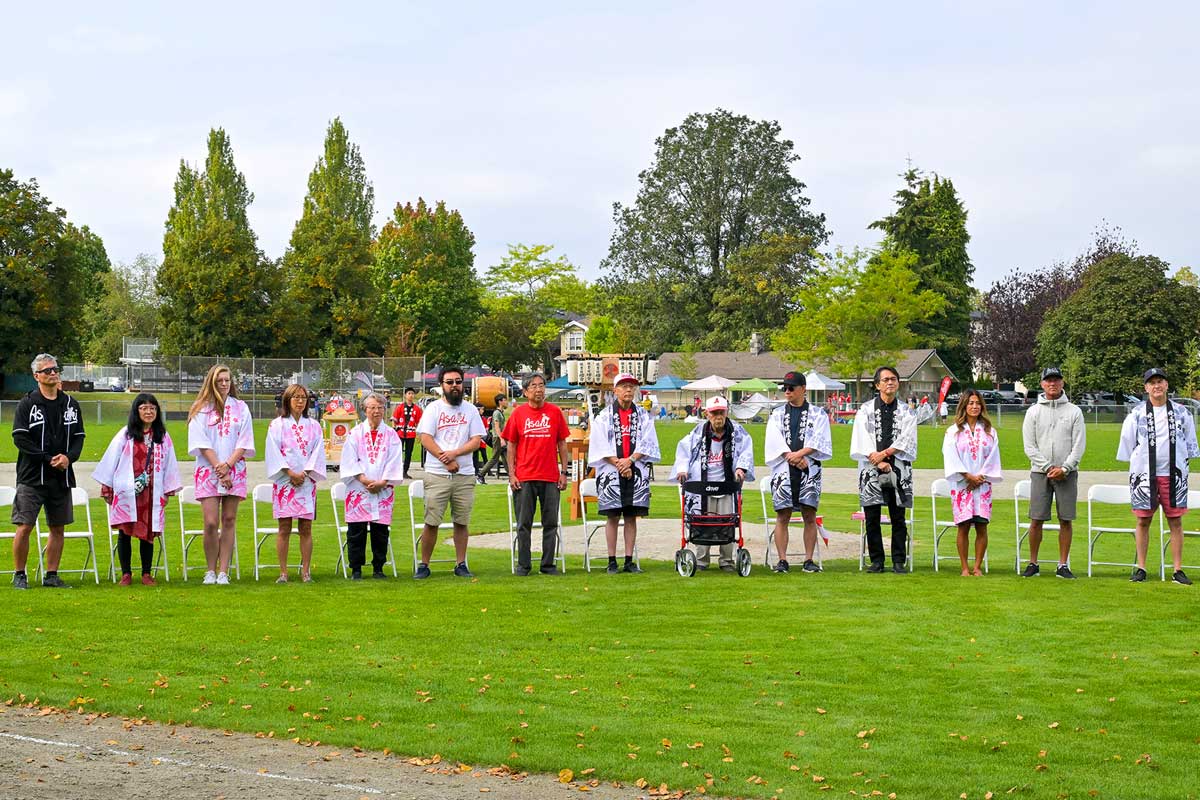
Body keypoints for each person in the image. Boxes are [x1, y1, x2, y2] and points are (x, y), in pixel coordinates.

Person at [9, 354, 86, 590]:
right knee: (25, 525)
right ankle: (20, 574)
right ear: (36, 376)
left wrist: (68, 458)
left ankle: (52, 575)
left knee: (58, 526)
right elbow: (20, 438)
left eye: (56, 369)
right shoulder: (27, 404)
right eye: (47, 371)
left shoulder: (71, 404)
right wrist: (46, 458)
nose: (53, 373)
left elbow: (78, 438)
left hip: (61, 477)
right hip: (32, 477)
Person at [1117, 368, 1200, 584]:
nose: (1156, 386)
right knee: (1143, 520)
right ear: (1146, 388)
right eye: (1152, 382)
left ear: (1166, 385)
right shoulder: (1136, 414)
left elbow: (1190, 444)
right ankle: (1141, 567)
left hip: (1174, 476)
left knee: (1175, 521)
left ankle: (1178, 569)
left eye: (1160, 381)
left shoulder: (1183, 413)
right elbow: (1127, 446)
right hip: (1145, 476)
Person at [94, 394, 182, 586]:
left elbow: (170, 464)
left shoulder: (163, 437)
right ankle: (126, 573)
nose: (149, 412)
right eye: (144, 408)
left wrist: (167, 490)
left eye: (152, 408)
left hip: (152, 491)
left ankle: (146, 573)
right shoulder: (126, 434)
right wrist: (107, 486)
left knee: (148, 532)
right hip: (127, 490)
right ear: (137, 411)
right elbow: (112, 460)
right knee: (125, 530)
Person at [416, 367, 486, 578]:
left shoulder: (470, 410)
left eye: (458, 381)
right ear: (441, 386)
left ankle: (461, 563)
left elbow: (476, 440)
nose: (454, 386)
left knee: (462, 521)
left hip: (464, 474)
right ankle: (424, 564)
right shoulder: (434, 409)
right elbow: (425, 438)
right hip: (437, 474)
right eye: (449, 382)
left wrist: (454, 453)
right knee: (432, 521)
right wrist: (444, 459)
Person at [850, 366, 921, 573]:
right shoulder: (865, 410)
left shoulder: (907, 411)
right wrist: (878, 460)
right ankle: (877, 561)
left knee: (897, 516)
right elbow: (861, 438)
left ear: (898, 383)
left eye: (894, 379)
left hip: (898, 467)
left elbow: (908, 438)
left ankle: (898, 560)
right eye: (886, 379)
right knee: (872, 516)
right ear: (877, 384)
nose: (890, 383)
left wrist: (886, 453)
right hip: (871, 468)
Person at [187, 365, 253, 586]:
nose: (224, 384)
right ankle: (210, 569)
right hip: (209, 469)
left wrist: (229, 465)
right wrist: (219, 467)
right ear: (211, 383)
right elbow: (201, 441)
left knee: (229, 519)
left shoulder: (241, 408)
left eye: (227, 380)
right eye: (219, 381)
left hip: (235, 469)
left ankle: (224, 570)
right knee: (210, 521)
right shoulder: (201, 409)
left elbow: (244, 440)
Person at [588, 373, 661, 574]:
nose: (628, 390)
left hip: (635, 469)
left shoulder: (644, 416)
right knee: (612, 516)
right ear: (615, 390)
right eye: (624, 386)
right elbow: (599, 444)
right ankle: (612, 560)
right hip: (611, 472)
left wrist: (630, 461)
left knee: (631, 516)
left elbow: (648, 442)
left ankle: (629, 560)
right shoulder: (603, 416)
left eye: (631, 386)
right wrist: (618, 463)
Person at [673, 396, 754, 571]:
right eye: (714, 413)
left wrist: (741, 469)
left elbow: (746, 450)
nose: (718, 416)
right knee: (703, 521)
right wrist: (682, 470)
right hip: (702, 486)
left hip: (726, 485)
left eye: (721, 412)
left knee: (727, 522)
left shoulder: (738, 432)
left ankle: (727, 560)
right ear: (707, 414)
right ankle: (702, 560)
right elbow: (683, 452)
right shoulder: (697, 433)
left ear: (726, 412)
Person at [1020, 366, 1085, 579]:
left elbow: (1078, 444)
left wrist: (1065, 467)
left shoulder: (1074, 411)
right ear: (1042, 384)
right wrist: (1048, 467)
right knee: (1036, 518)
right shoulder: (1034, 412)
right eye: (1048, 380)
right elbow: (1029, 446)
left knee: (1066, 519)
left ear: (1062, 383)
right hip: (1040, 472)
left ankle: (1063, 564)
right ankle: (1033, 563)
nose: (1052, 384)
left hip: (1067, 473)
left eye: (1056, 380)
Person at [764, 371, 832, 573]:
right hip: (784, 469)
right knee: (782, 515)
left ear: (803, 389)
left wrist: (802, 454)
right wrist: (790, 456)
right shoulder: (776, 414)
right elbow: (773, 440)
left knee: (809, 514)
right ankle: (782, 560)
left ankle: (809, 560)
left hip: (809, 469)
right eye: (784, 387)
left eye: (791, 387)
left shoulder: (818, 414)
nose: (787, 391)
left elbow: (821, 439)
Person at [503, 374, 570, 575]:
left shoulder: (555, 412)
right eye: (534, 386)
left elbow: (562, 444)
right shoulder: (518, 414)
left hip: (550, 476)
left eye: (542, 385)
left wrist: (564, 472)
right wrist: (512, 474)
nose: (539, 389)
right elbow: (511, 445)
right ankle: (524, 564)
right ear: (525, 391)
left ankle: (548, 564)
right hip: (525, 476)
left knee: (550, 522)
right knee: (524, 523)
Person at [265, 384, 327, 583]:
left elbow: (318, 452)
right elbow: (273, 451)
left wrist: (305, 472)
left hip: (307, 481)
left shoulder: (314, 426)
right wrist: (290, 473)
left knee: (306, 527)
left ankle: (306, 571)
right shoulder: (277, 425)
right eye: (296, 397)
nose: (300, 401)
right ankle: (283, 572)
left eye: (303, 398)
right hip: (285, 481)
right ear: (287, 400)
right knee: (284, 527)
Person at [340, 393, 403, 579]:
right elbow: (349, 459)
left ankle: (378, 567)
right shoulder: (355, 434)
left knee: (380, 531)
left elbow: (394, 460)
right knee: (356, 531)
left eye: (380, 407)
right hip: (359, 489)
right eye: (372, 407)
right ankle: (356, 568)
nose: (376, 411)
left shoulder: (391, 435)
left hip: (382, 490)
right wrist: (363, 479)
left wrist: (383, 481)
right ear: (365, 410)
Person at [941, 390, 1003, 577]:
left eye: (977, 403)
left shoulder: (990, 431)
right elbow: (950, 455)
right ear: (964, 406)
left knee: (981, 525)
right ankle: (964, 567)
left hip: (982, 485)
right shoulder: (953, 432)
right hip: (962, 484)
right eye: (970, 403)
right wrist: (966, 475)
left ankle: (977, 566)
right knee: (964, 525)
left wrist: (980, 477)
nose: (974, 406)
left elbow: (993, 457)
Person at [391, 388, 423, 479]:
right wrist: (394, 429)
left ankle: (405, 471)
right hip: (400, 433)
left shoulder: (417, 409)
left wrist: (419, 434)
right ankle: (396, 471)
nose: (411, 395)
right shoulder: (400, 407)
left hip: (411, 434)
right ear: (405, 395)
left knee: (409, 453)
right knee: (398, 453)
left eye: (412, 393)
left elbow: (419, 423)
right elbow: (394, 419)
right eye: (409, 393)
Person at [479, 394, 510, 483]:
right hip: (498, 438)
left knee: (506, 458)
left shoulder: (500, 412)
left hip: (501, 438)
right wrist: (502, 439)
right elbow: (496, 427)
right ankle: (480, 474)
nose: (506, 402)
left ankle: (511, 476)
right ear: (500, 401)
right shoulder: (496, 413)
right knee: (494, 458)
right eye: (505, 400)